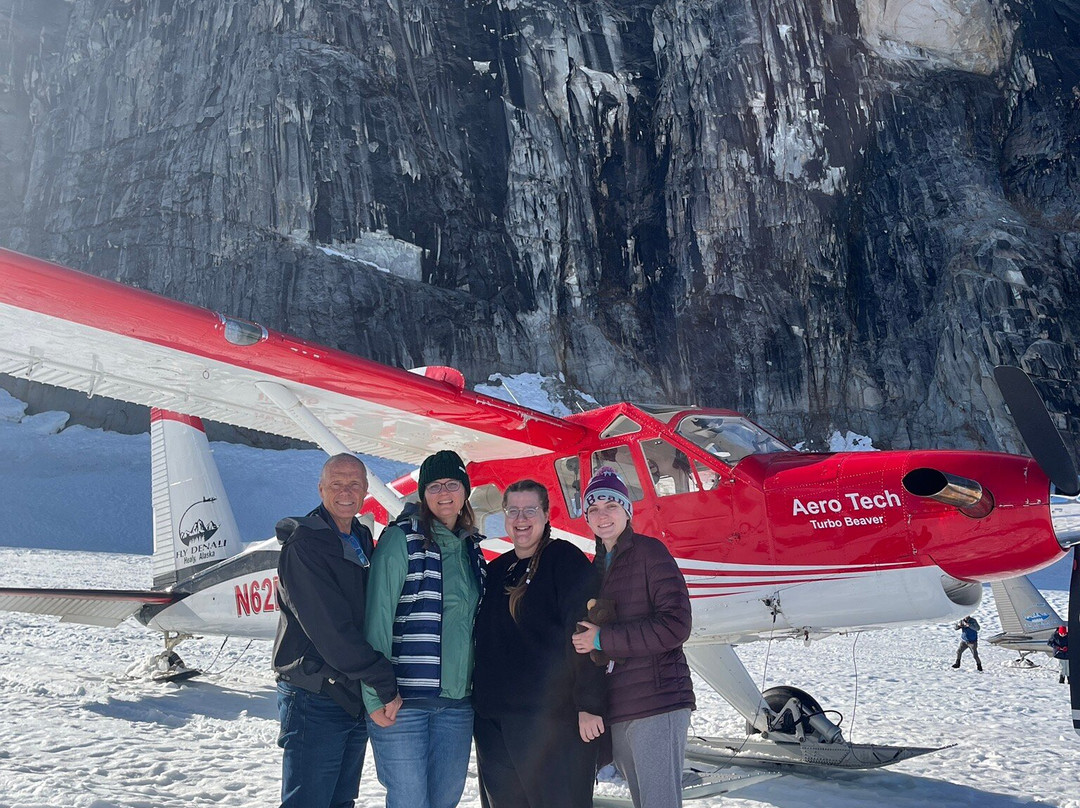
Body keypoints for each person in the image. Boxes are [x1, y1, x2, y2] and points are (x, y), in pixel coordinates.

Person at [272, 453, 402, 808]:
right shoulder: (306, 544)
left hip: (350, 693)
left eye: (355, 484)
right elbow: (330, 631)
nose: (346, 492)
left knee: (341, 801)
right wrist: (383, 679)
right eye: (336, 484)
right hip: (315, 694)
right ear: (321, 489)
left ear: (365, 491)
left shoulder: (359, 534)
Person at [363, 450, 486, 808]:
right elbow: (377, 622)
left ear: (464, 490)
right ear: (422, 493)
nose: (444, 492)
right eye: (434, 485)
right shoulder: (401, 539)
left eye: (452, 484)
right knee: (409, 801)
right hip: (403, 704)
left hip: (458, 706)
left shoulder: (471, 548)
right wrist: (375, 696)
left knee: (445, 801)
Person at [472, 479, 607, 808]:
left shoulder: (565, 561)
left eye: (530, 510)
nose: (521, 519)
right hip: (494, 726)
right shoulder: (496, 570)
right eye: (513, 511)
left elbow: (587, 634)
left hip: (550, 725)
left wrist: (589, 704)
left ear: (547, 515)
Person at [572, 467, 695, 808]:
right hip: (621, 707)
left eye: (611, 505)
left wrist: (602, 640)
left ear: (627, 510)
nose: (602, 515)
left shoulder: (649, 553)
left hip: (658, 700)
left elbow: (676, 625)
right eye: (593, 508)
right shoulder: (598, 566)